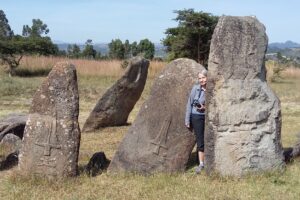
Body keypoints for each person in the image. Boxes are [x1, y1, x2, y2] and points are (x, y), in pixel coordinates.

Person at [185, 69, 207, 174]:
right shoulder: (195, 88)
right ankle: (201, 163)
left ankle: (206, 161)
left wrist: (205, 108)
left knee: (208, 139)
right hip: (197, 116)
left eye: (203, 77)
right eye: (200, 78)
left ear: (207, 77)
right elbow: (189, 104)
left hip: (208, 117)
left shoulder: (212, 89)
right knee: (200, 140)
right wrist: (187, 119)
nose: (201, 80)